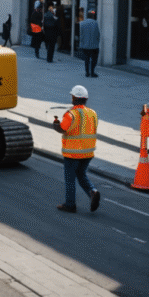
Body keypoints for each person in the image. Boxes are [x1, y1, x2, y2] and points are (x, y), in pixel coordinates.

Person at [52, 85, 100, 213]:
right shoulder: (93, 113)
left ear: (74, 98)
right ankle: (93, 192)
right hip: (88, 152)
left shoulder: (70, 114)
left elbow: (62, 129)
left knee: (70, 179)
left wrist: (55, 125)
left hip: (73, 153)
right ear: (85, 99)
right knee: (81, 174)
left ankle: (70, 204)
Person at [78, 10, 100, 78]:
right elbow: (98, 34)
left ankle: (87, 72)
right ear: (93, 16)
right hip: (94, 45)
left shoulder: (82, 23)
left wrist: (81, 43)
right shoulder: (95, 23)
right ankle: (92, 72)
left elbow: (81, 35)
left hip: (85, 45)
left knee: (86, 59)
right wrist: (97, 41)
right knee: (94, 59)